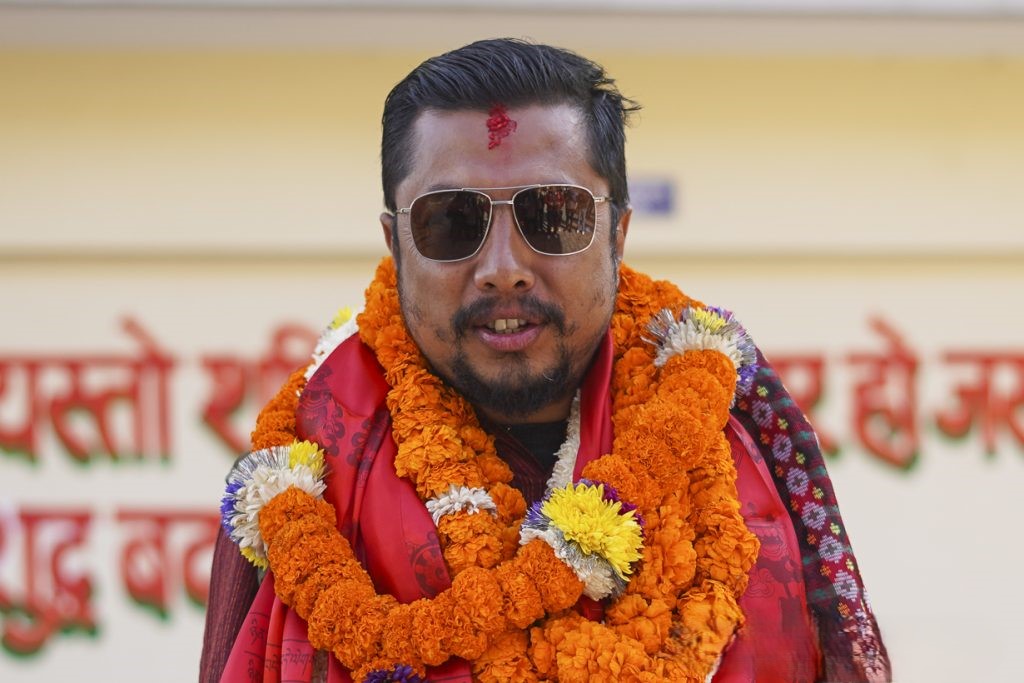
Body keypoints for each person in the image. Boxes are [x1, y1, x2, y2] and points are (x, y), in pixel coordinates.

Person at [201, 39, 891, 683]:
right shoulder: (299, 480)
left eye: (554, 215)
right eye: (451, 220)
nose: (503, 268)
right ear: (395, 243)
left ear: (617, 233)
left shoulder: (735, 448)